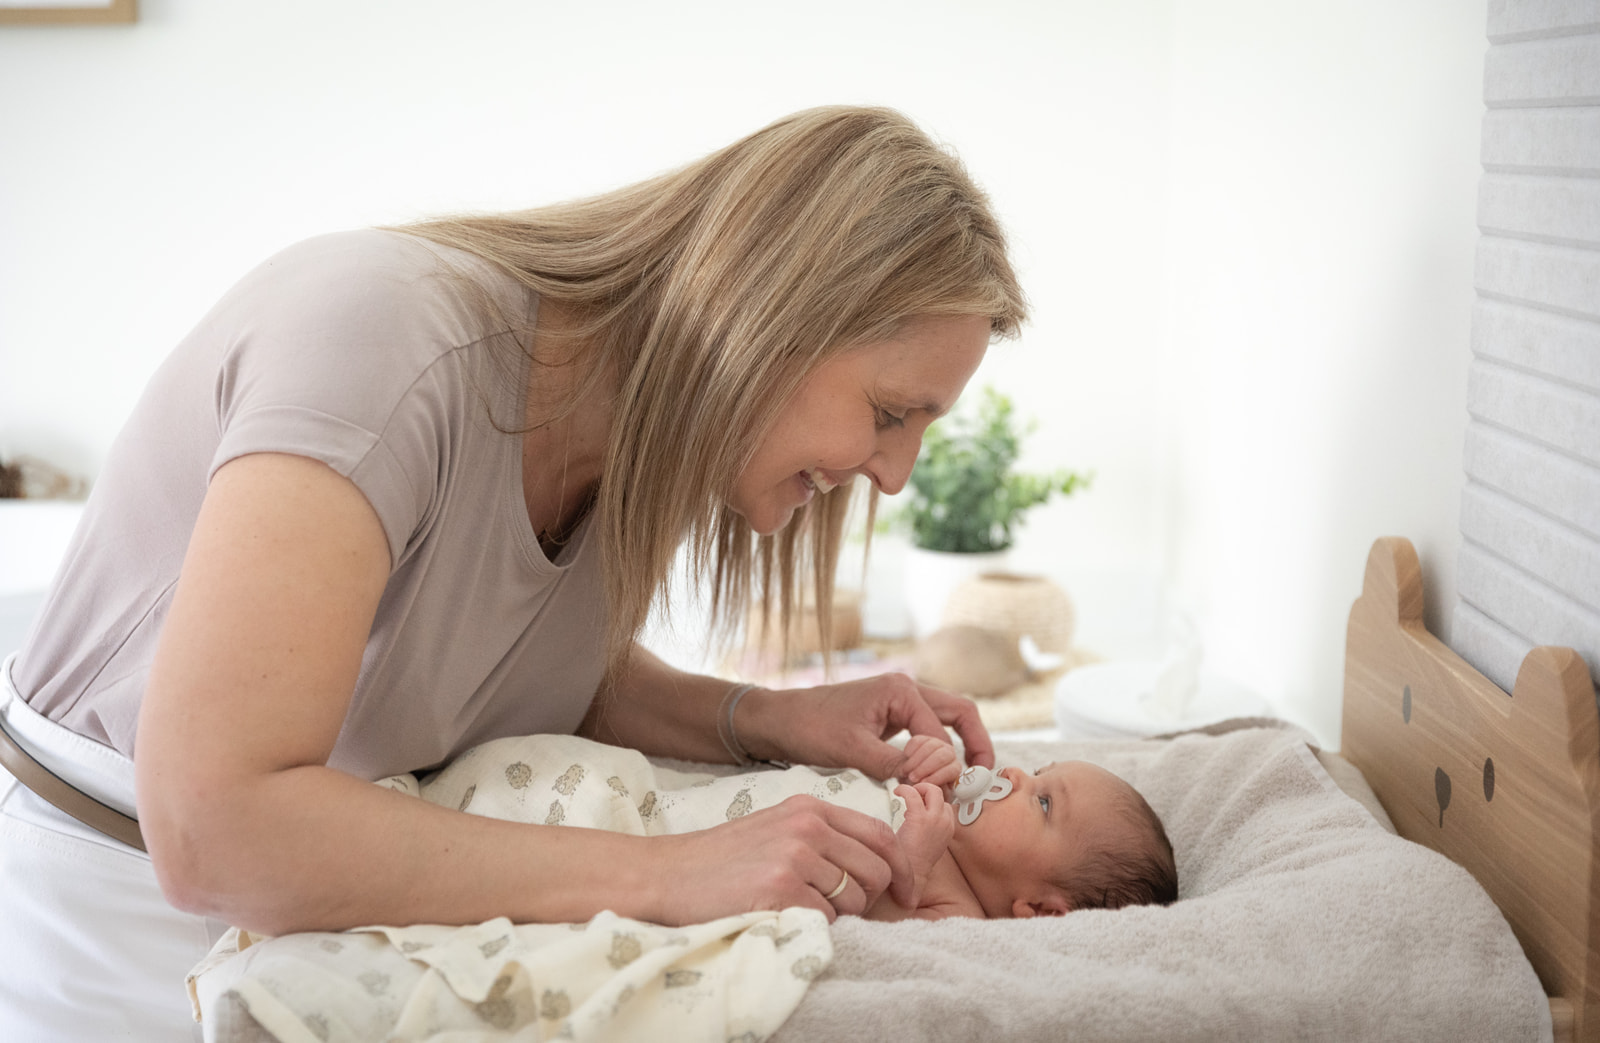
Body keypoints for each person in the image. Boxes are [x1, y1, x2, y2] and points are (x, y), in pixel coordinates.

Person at [0, 105, 1027, 1040]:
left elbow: (500, 658)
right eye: (890, 413)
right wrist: (671, 873)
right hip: (116, 920)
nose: (895, 474)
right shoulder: (381, 337)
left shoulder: (626, 438)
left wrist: (760, 716)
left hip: (321, 936)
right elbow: (214, 830)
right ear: (767, 311)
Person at [865, 737, 1179, 921]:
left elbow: (867, 930)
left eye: (1044, 802)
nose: (1012, 773)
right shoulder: (942, 817)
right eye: (1035, 772)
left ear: (1041, 909)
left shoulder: (956, 912)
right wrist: (917, 775)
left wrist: (912, 868)